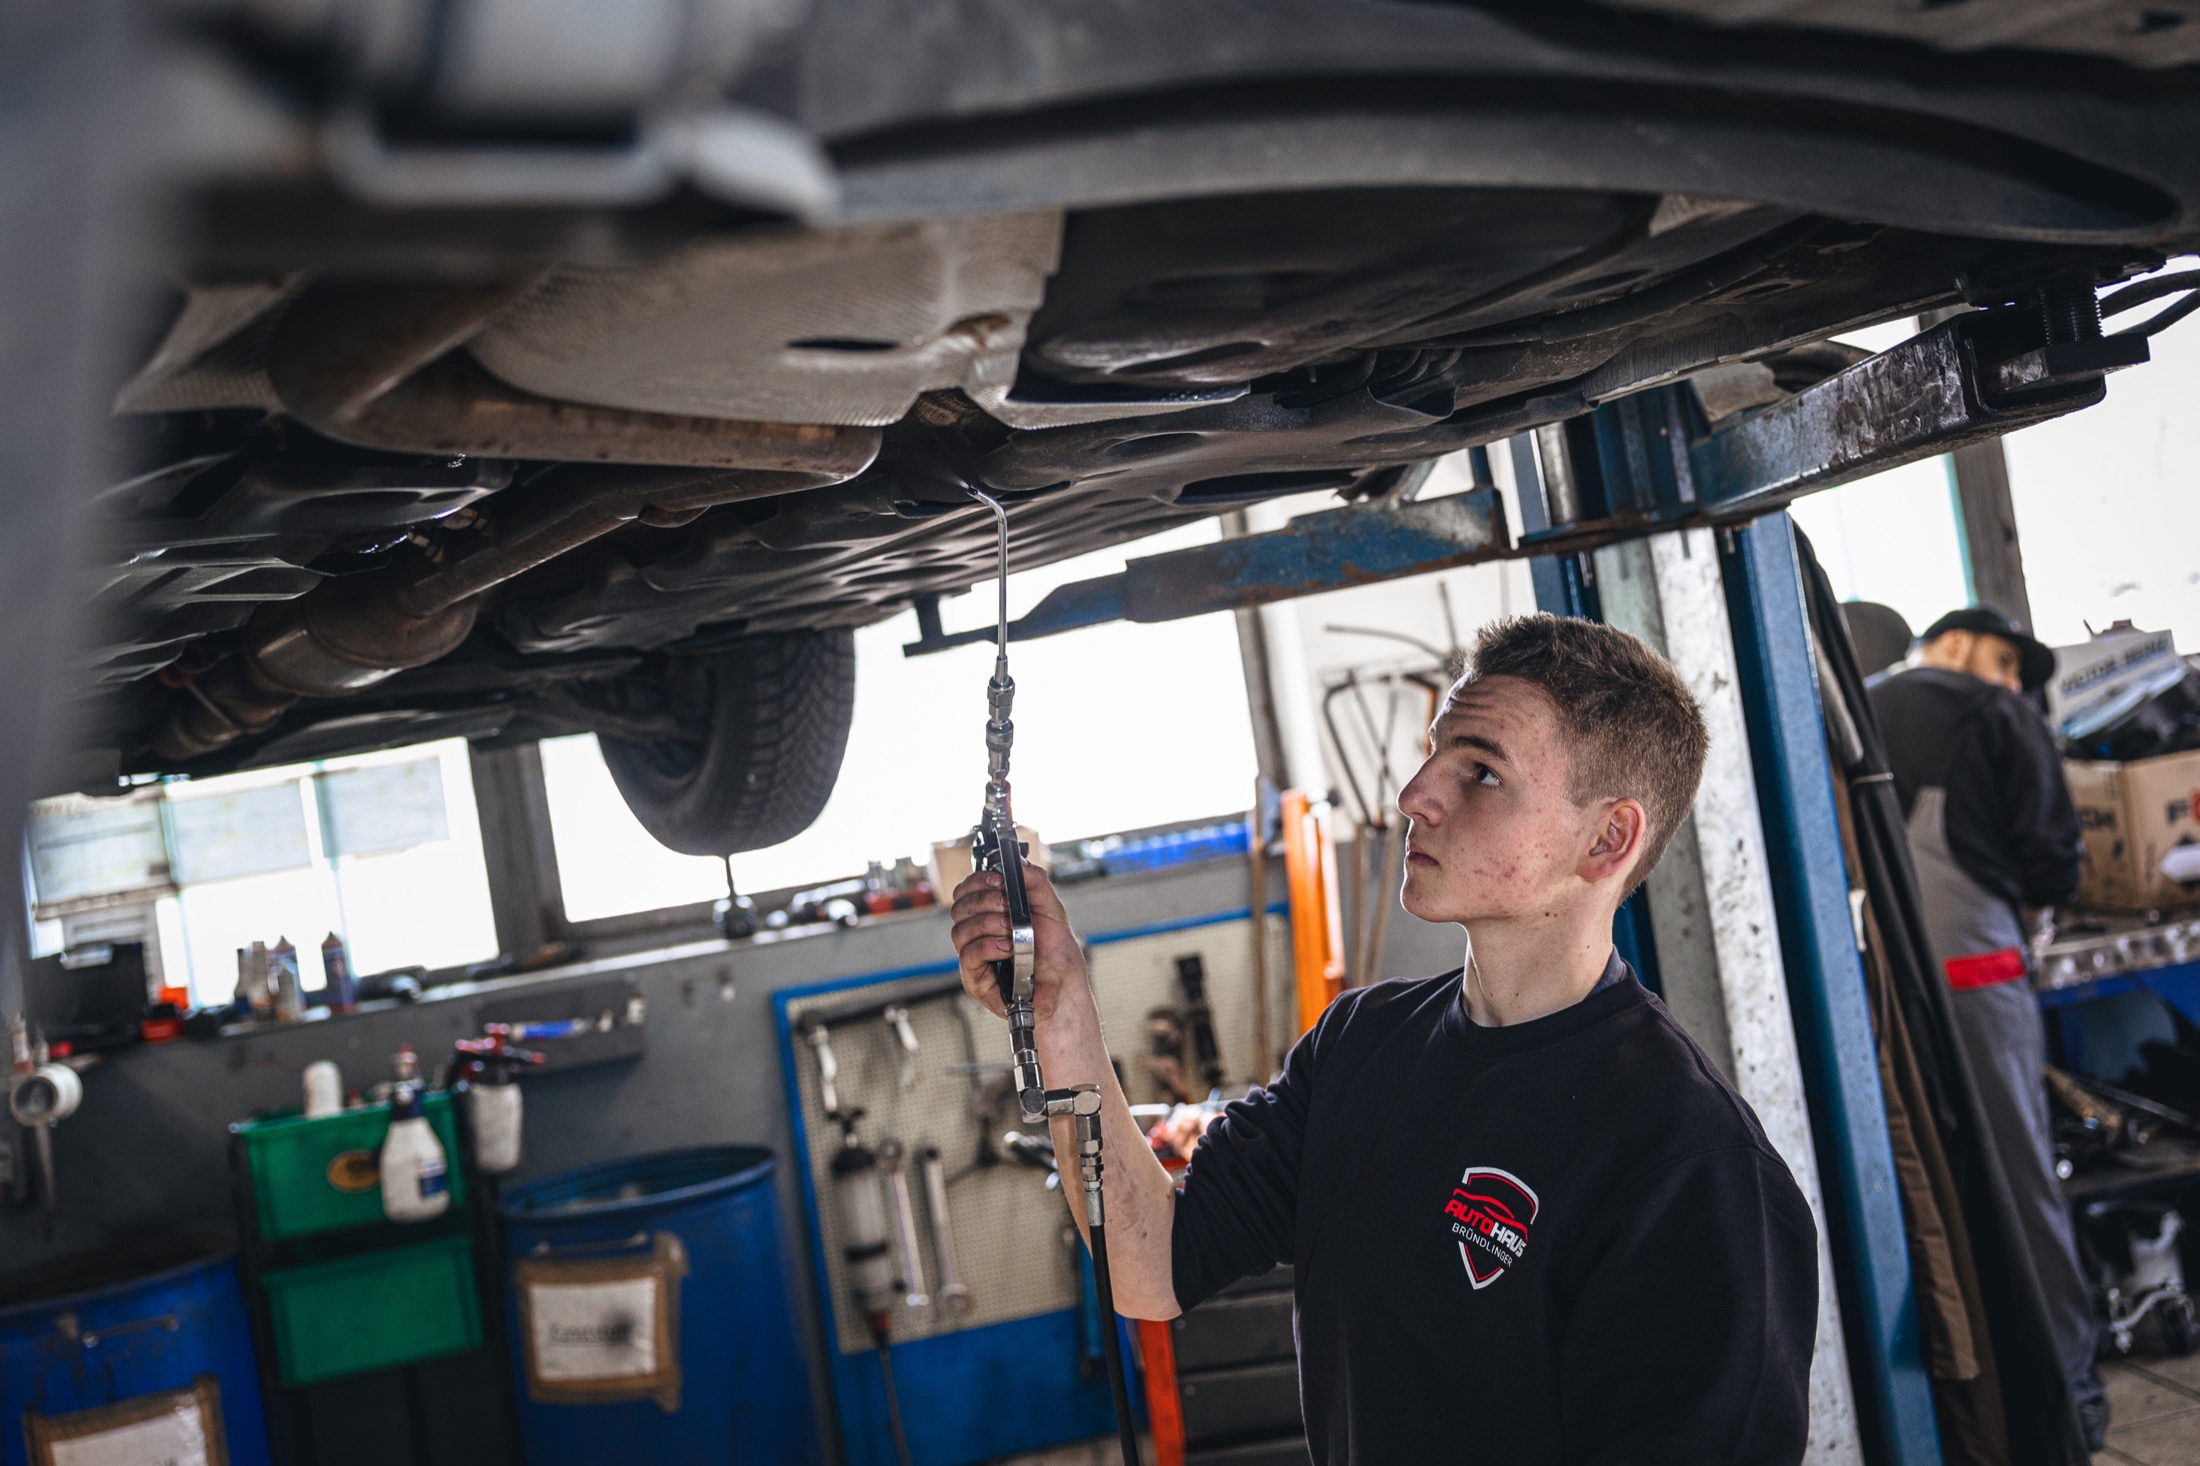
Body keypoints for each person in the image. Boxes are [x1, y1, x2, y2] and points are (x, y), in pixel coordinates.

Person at [951, 614, 1820, 1463]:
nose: (1416, 796)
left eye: (1479, 773)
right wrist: (1061, 1007)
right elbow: (1149, 1264)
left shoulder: (1692, 1168)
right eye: (1433, 752)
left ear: (1607, 841)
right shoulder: (1361, 1046)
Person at [1870, 605, 2106, 1444]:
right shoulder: (1994, 712)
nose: (2011, 682)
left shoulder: (1854, 706)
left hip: (1874, 998)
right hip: (1976, 981)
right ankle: (2068, 1400)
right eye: (2008, 661)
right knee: (2020, 1189)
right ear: (1958, 641)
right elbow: (2052, 856)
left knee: (1918, 1189)